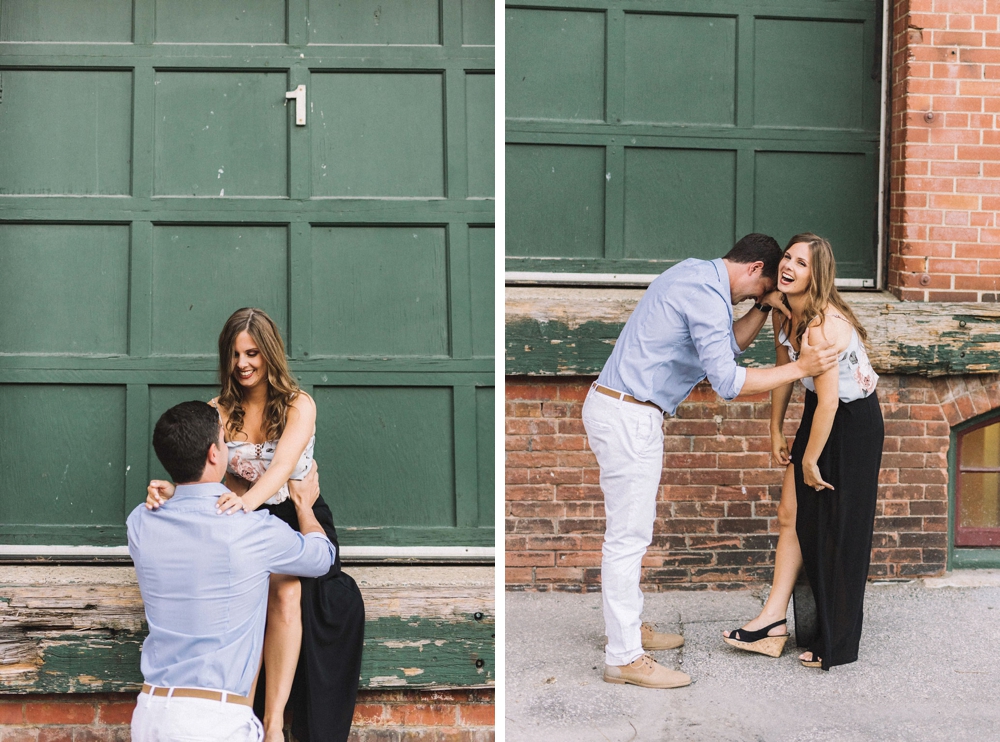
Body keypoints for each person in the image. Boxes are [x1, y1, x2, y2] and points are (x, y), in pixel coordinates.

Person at [583, 233, 841, 689]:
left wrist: (761, 308)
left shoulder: (698, 274)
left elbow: (727, 346)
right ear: (756, 269)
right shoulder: (704, 293)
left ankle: (627, 629)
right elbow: (726, 379)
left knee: (629, 534)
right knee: (627, 539)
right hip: (629, 415)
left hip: (621, 408)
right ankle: (623, 656)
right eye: (763, 291)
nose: (764, 298)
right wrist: (802, 368)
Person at [147, 308, 365, 742]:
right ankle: (250, 721)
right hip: (244, 513)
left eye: (252, 353)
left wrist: (246, 504)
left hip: (298, 512)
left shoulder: (299, 404)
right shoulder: (218, 411)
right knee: (262, 597)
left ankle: (273, 723)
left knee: (290, 593)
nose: (243, 364)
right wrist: (178, 492)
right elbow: (209, 471)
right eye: (234, 355)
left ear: (270, 354)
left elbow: (282, 467)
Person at [128, 400, 336, 741]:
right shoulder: (251, 530)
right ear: (214, 454)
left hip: (150, 713)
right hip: (214, 720)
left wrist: (179, 492)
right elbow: (321, 557)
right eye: (224, 441)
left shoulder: (140, 522)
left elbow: (193, 530)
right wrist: (304, 507)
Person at [722, 233, 883, 671]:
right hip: (821, 412)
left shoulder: (822, 327)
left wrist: (808, 459)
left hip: (853, 424)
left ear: (819, 274)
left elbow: (831, 401)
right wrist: (775, 428)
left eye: (802, 263)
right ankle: (773, 621)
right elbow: (786, 372)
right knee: (790, 515)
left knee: (836, 526)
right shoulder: (784, 309)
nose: (790, 266)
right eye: (788, 257)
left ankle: (838, 641)